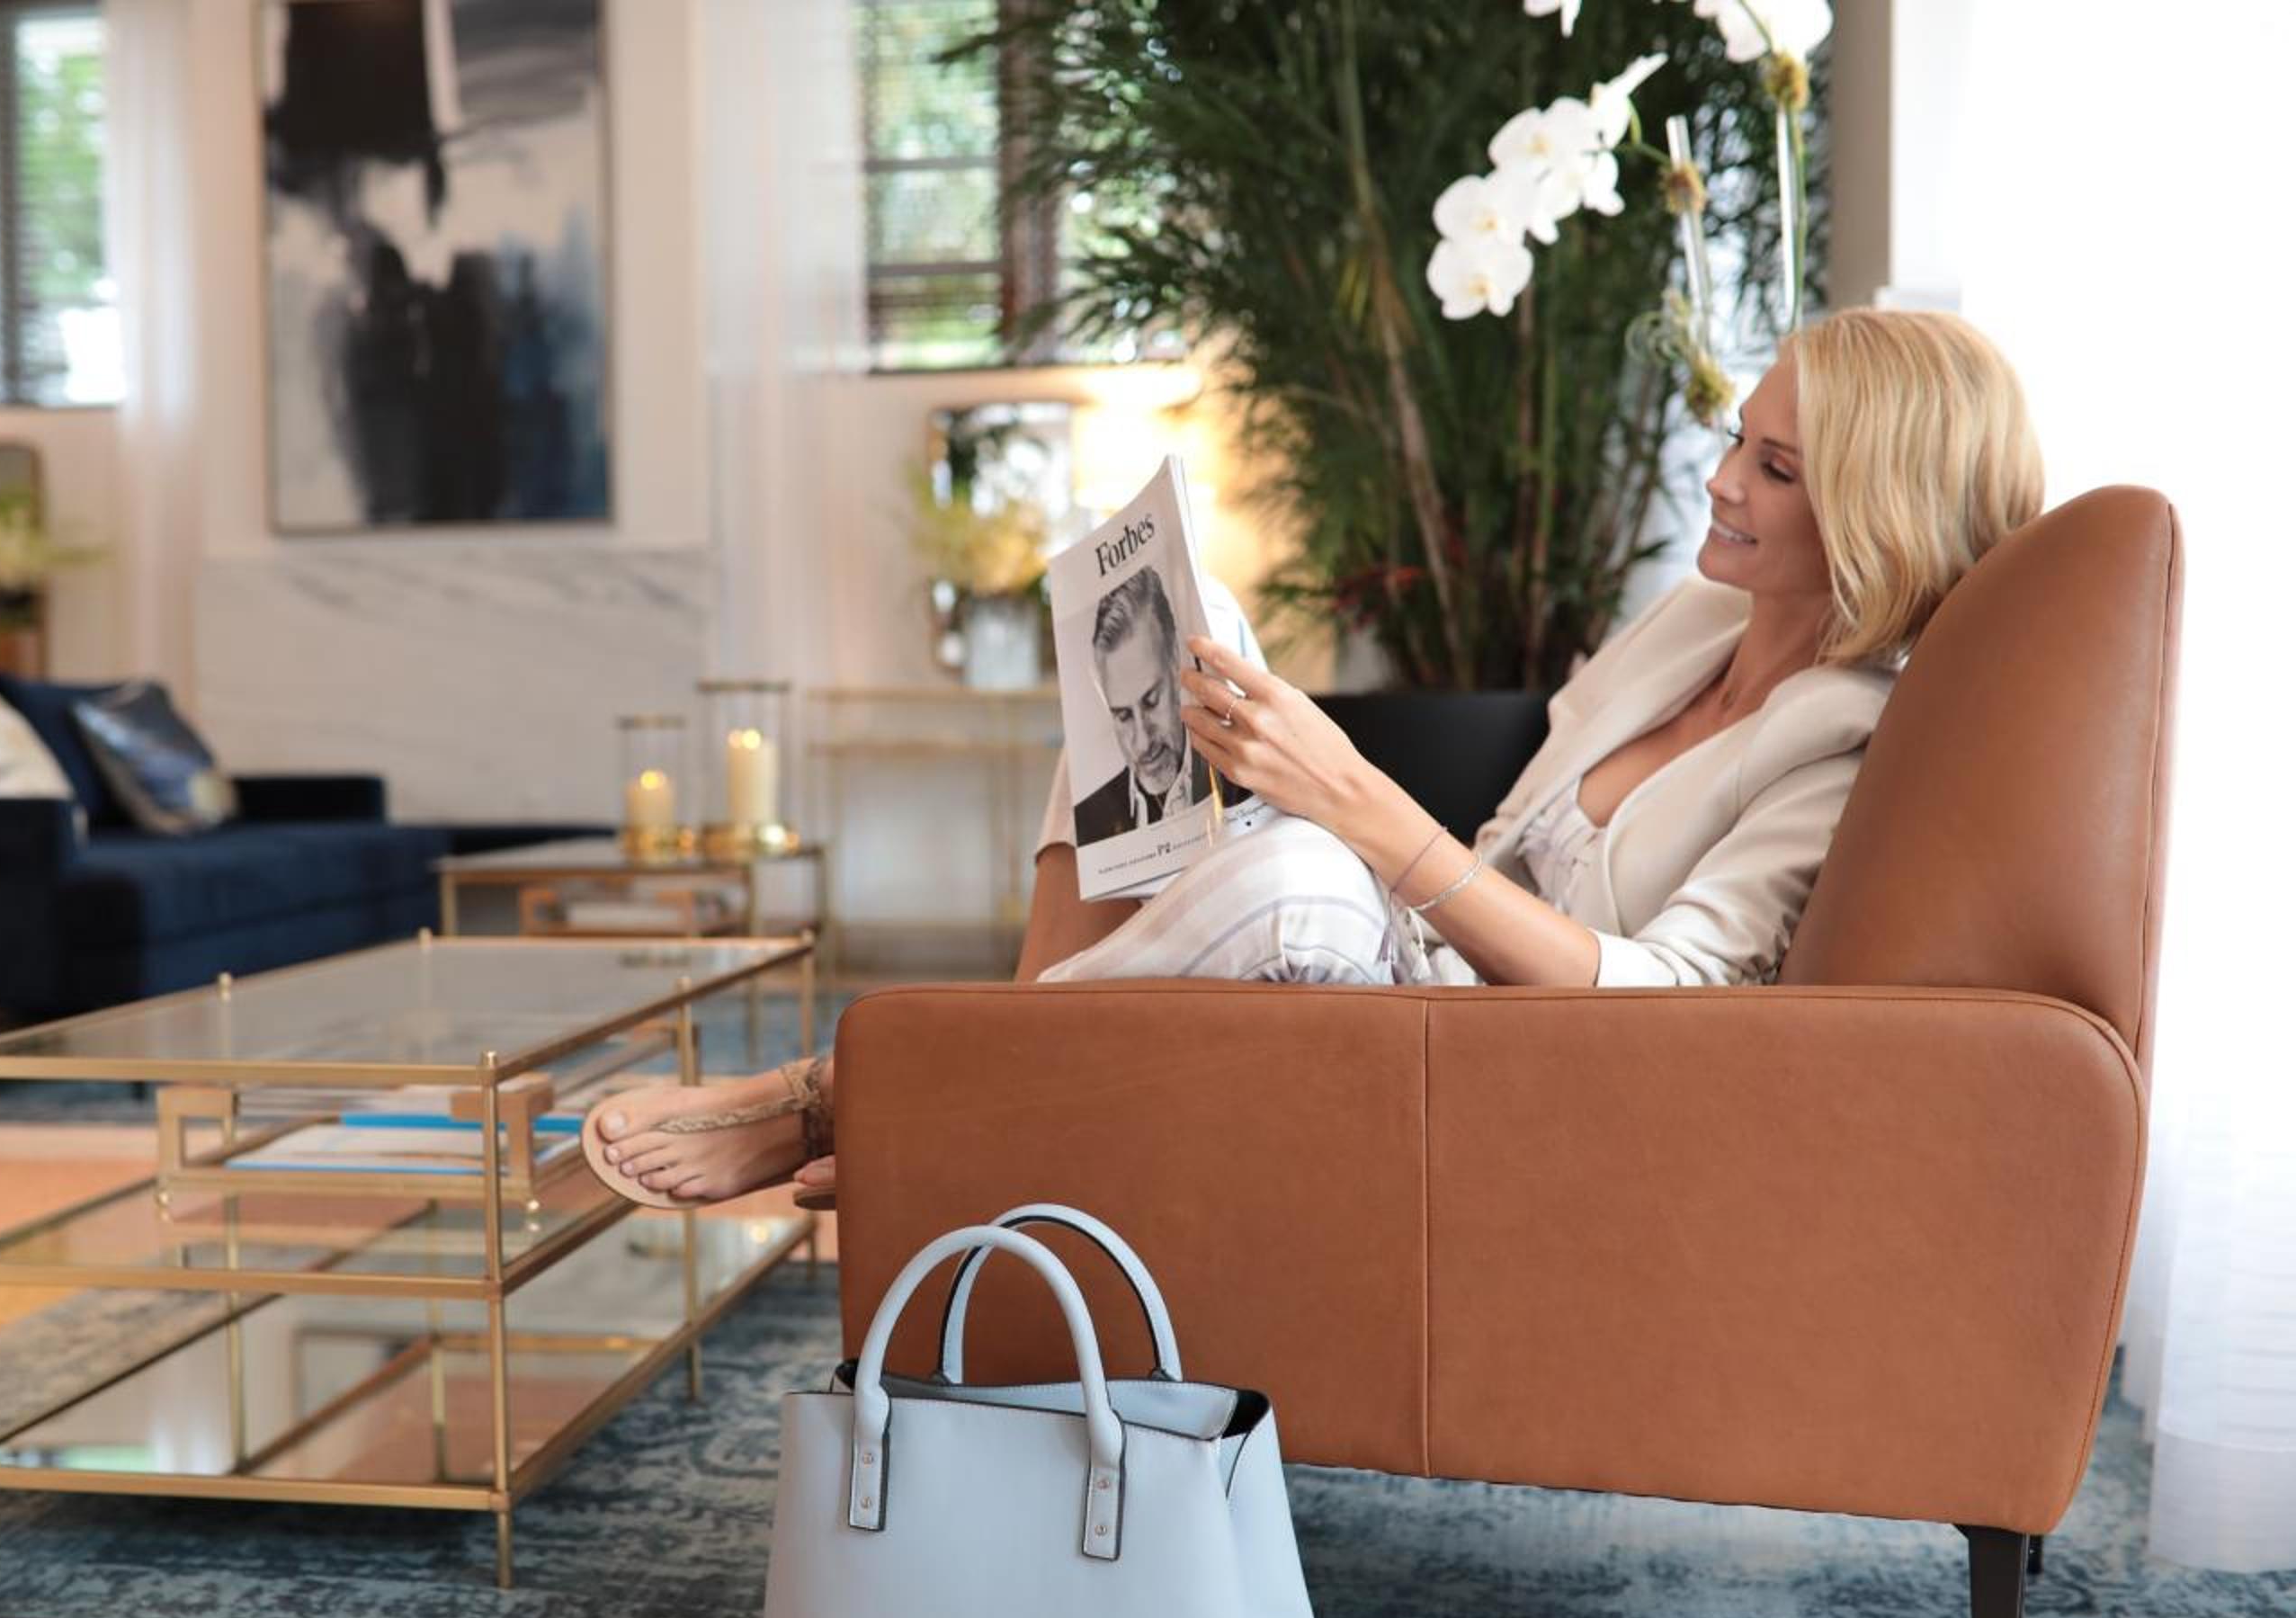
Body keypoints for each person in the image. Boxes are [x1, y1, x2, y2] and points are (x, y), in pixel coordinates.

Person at [583, 308, 2044, 1207]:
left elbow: (1679, 1006)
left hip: (1510, 1064)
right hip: (1413, 955)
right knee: (1161, 630)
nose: (1720, 480)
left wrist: (1350, 801)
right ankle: (984, 1093)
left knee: (1297, 877)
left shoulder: (1847, 743)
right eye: (1738, 439)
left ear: (1877, 513)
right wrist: (1311, 786)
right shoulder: (1700, 619)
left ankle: (864, 1096)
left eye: (1775, 470)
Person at [1072, 566, 1214, 841]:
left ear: (1176, 661)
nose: (1143, 742)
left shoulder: (1234, 780)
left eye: (1151, 701)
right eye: (1123, 715)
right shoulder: (1089, 820)